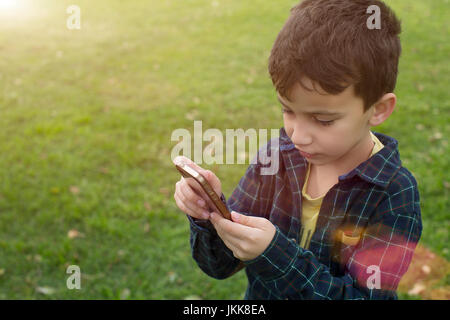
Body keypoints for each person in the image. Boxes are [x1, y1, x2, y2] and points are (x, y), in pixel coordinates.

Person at [173, 0, 422, 299]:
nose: (299, 135)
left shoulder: (392, 194)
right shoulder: (276, 159)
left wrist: (275, 255)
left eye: (323, 119)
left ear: (378, 109)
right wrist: (210, 216)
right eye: (288, 110)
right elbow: (220, 265)